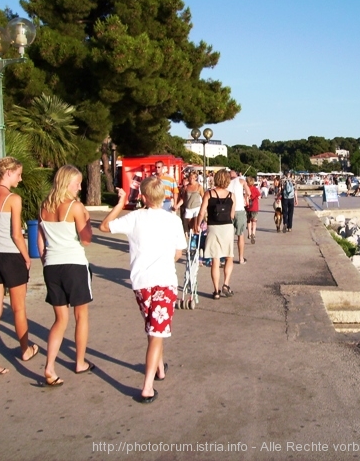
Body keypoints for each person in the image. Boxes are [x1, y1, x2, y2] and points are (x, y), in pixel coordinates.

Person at [99, 177, 185, 404]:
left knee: (154, 327)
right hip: (164, 280)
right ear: (165, 197)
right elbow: (178, 253)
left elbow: (105, 226)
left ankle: (159, 368)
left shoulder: (135, 218)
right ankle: (147, 386)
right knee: (157, 330)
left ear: (143, 198)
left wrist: (120, 204)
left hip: (142, 282)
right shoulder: (173, 220)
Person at [0, 157, 38, 378]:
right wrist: (27, 257)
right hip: (11, 256)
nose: (20, 179)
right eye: (19, 174)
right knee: (18, 308)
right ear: (9, 173)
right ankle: (25, 349)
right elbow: (16, 234)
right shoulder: (13, 199)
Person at [37, 165, 93, 387]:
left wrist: (45, 260)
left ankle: (50, 366)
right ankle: (79, 362)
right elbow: (86, 239)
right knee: (81, 316)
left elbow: (40, 239)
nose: (80, 186)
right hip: (74, 265)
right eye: (77, 182)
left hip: (52, 265)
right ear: (68, 182)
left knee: (60, 319)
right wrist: (87, 218)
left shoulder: (45, 205)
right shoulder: (75, 206)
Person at [197, 169, 235, 299]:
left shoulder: (209, 194)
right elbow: (232, 215)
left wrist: (198, 224)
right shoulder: (231, 195)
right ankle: (226, 284)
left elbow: (202, 212)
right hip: (227, 227)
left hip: (213, 227)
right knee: (229, 256)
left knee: (215, 259)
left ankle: (216, 291)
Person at [228, 169, 250, 264]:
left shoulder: (226, 182)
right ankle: (241, 258)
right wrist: (245, 198)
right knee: (240, 235)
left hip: (228, 211)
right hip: (239, 210)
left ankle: (228, 258)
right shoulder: (241, 181)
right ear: (237, 174)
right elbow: (249, 193)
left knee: (228, 236)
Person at [181, 170, 204, 235]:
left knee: (196, 226)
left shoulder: (199, 187)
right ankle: (193, 237)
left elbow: (203, 197)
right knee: (191, 227)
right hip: (188, 208)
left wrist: (204, 208)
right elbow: (183, 198)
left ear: (196, 178)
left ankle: (197, 240)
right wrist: (177, 205)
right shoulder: (186, 187)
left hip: (197, 207)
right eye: (190, 178)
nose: (191, 179)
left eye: (193, 178)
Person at [245, 176, 261, 244]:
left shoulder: (246, 189)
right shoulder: (255, 189)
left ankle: (249, 233)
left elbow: (245, 197)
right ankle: (253, 234)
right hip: (255, 207)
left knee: (248, 221)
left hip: (248, 207)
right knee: (254, 222)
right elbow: (259, 196)